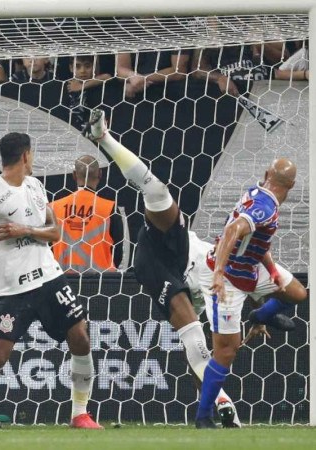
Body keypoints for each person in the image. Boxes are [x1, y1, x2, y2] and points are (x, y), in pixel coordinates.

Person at [83, 109, 242, 428]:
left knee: (196, 347)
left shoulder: (230, 282)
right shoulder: (206, 250)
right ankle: (103, 138)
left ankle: (222, 415)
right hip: (161, 260)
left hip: (188, 283)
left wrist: (266, 312)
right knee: (155, 189)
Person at [0, 132, 103, 430]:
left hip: (49, 279)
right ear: (25, 156)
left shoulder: (35, 186)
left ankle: (79, 413)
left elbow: (55, 233)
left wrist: (25, 230)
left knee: (81, 338)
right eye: (32, 155)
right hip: (13, 289)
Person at [191, 158, 308, 428]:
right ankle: (203, 417)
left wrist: (273, 271)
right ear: (291, 186)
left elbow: (257, 241)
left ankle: (260, 313)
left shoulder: (256, 192)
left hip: (251, 269)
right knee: (227, 350)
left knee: (297, 293)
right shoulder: (264, 206)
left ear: (267, 174)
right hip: (227, 277)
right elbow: (233, 230)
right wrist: (219, 274)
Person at [50, 155, 124, 273]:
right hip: (101, 282)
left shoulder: (54, 207)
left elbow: (46, 248)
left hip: (62, 281)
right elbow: (118, 251)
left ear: (74, 175)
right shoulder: (110, 208)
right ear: (100, 174)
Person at [65, 55, 113, 129]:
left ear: (94, 67)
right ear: (71, 68)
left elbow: (107, 77)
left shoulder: (98, 88)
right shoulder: (66, 87)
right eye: (77, 66)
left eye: (87, 66)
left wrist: (81, 87)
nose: (82, 71)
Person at [116, 49, 189, 98]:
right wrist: (130, 75)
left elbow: (179, 72)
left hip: (172, 92)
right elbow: (120, 70)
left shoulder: (176, 29)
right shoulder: (126, 29)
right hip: (134, 93)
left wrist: (141, 79)